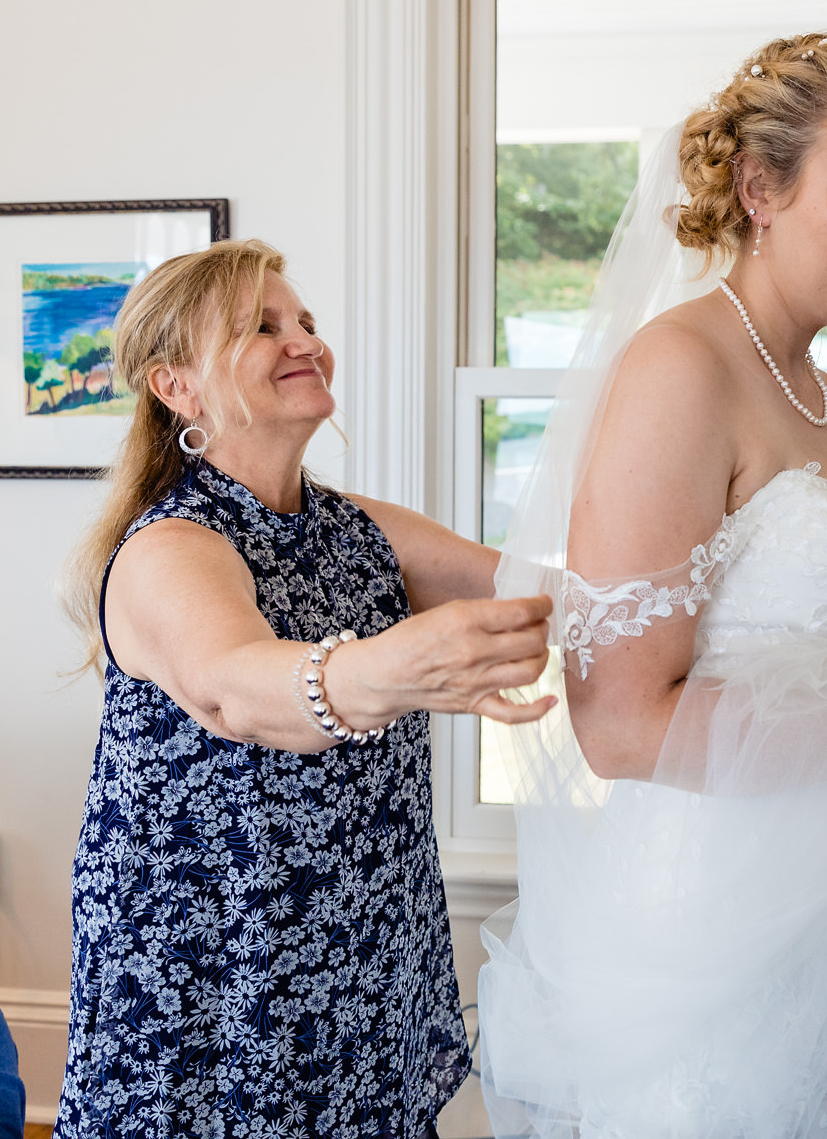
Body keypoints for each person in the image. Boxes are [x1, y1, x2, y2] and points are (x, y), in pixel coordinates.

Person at [476, 33, 827, 1138]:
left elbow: (775, 635)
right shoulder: (680, 370)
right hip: (711, 920)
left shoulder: (824, 389)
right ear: (759, 189)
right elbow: (623, 722)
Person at [55, 240, 555, 1138]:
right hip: (219, 974)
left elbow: (554, 595)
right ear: (178, 388)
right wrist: (395, 666)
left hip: (361, 952)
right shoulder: (169, 548)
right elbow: (235, 689)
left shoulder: (360, 528)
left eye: (307, 323)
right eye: (261, 327)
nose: (305, 342)